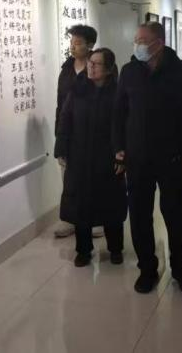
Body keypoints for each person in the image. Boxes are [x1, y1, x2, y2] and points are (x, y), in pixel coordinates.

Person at [114, 22, 182, 294]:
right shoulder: (129, 71)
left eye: (142, 40)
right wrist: (119, 147)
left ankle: (181, 269)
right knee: (140, 217)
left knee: (176, 216)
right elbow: (119, 113)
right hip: (137, 159)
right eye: (136, 40)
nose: (138, 45)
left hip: (173, 159)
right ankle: (147, 269)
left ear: (159, 43)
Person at [54, 48, 127, 267]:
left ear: (108, 69)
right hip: (80, 157)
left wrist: (122, 155)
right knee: (81, 207)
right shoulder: (78, 90)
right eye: (90, 63)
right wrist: (61, 149)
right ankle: (83, 250)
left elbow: (125, 125)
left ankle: (115, 248)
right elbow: (65, 119)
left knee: (111, 205)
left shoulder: (117, 93)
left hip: (108, 158)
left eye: (96, 64)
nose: (91, 67)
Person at [53, 24, 103, 239]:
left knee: (94, 176)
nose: (72, 47)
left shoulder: (99, 66)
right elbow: (60, 103)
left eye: (78, 43)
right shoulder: (66, 69)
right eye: (71, 42)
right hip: (69, 132)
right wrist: (59, 134)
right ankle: (71, 219)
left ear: (90, 45)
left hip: (93, 132)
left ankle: (96, 219)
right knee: (68, 177)